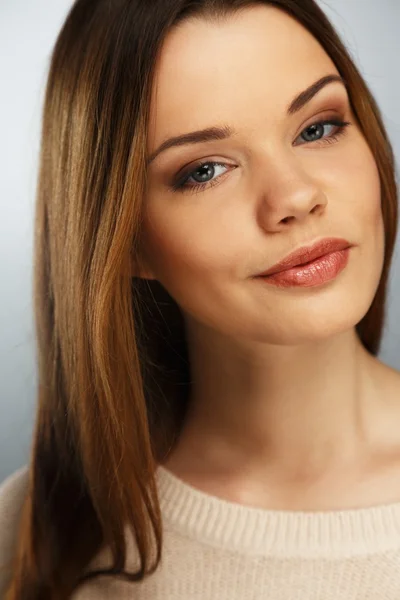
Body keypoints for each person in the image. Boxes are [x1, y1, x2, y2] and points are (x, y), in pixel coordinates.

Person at [1, 0, 399, 598]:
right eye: (206, 170)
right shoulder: (33, 532)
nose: (294, 196)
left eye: (317, 128)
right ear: (126, 238)